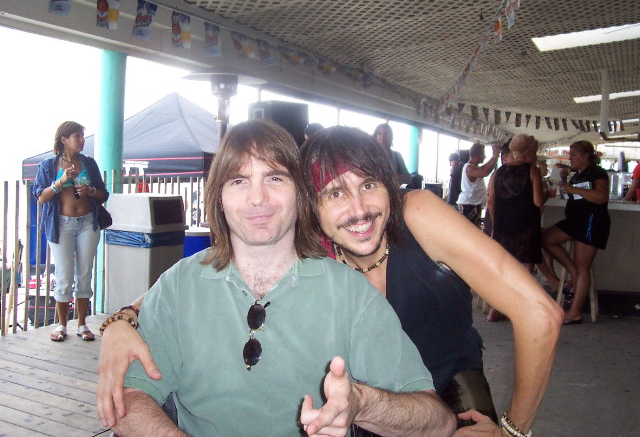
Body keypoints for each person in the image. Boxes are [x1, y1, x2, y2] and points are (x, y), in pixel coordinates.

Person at [98, 125, 562, 437]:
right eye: (335, 192)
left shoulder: (415, 214)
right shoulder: (316, 250)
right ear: (312, 205)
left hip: (449, 382)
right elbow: (186, 290)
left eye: (369, 184)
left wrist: (513, 431)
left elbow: (539, 314)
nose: (357, 209)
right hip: (361, 402)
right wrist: (120, 321)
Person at [33, 121, 109, 342]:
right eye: (78, 136)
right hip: (61, 225)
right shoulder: (48, 165)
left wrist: (90, 190)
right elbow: (41, 197)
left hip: (88, 222)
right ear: (64, 139)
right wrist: (61, 181)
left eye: (83, 136)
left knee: (84, 273)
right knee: (64, 275)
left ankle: (82, 323)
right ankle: (61, 324)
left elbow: (103, 194)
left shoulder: (88, 163)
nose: (83, 140)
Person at [542, 141, 610, 325]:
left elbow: (601, 197)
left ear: (585, 156)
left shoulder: (597, 172)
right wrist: (564, 182)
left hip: (591, 221)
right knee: (545, 239)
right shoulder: (577, 174)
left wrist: (573, 189)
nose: (570, 158)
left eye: (573, 155)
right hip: (574, 221)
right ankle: (572, 272)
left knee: (583, 267)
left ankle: (575, 312)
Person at [486, 135, 544, 322]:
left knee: (504, 269)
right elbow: (538, 202)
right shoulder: (532, 170)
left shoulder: (497, 173)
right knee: (525, 269)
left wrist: (495, 225)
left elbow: (490, 201)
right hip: (526, 226)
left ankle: (496, 308)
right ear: (528, 152)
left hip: (503, 227)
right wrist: (547, 195)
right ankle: (519, 308)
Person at [456, 143, 500, 228]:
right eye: (483, 154)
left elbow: (484, 168)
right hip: (468, 205)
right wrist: (495, 157)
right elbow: (484, 172)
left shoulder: (474, 167)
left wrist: (494, 157)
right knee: (468, 230)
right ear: (477, 155)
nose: (485, 156)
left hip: (473, 205)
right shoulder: (469, 167)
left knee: (473, 229)